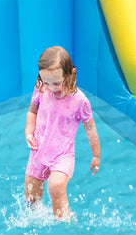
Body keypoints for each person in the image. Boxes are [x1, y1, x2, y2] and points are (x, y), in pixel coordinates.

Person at [24, 46, 101, 221]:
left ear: (70, 74)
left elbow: (90, 128)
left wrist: (96, 155)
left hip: (62, 155)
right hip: (38, 150)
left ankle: (66, 224)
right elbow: (32, 110)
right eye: (46, 82)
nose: (51, 88)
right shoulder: (41, 87)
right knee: (30, 199)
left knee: (56, 187)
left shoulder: (80, 101)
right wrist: (29, 131)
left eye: (56, 83)